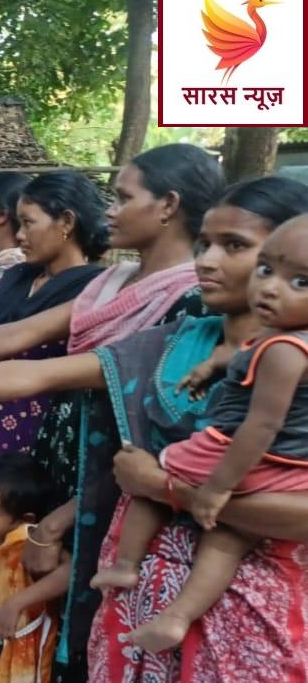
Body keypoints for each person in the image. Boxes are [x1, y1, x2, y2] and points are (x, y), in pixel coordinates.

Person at [0, 177, 308, 683]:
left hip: (257, 600)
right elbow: (30, 368)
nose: (208, 262)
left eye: (237, 247)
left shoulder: (280, 361)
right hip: (138, 587)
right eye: (206, 245)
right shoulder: (179, 338)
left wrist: (162, 486)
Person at [89, 215, 308, 653]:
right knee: (228, 538)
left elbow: (261, 424)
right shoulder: (282, 340)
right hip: (284, 477)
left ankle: (126, 564)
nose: (270, 287)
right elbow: (249, 364)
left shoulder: (283, 349)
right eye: (266, 270)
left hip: (249, 463)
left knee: (158, 463)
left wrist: (205, 490)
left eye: (299, 281)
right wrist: (214, 366)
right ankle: (177, 616)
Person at [0, 452, 65, 683]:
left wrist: (16, 603)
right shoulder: (1, 536)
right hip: (16, 639)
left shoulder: (26, 540)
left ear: (24, 518)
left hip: (34, 640)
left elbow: (68, 573)